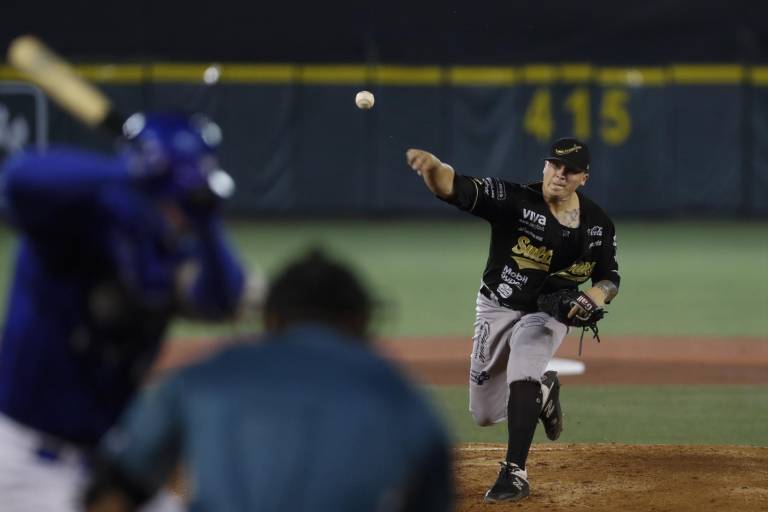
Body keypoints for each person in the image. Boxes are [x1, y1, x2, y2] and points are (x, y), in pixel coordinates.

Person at [0, 112, 246, 511]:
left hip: (105, 462)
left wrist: (208, 225)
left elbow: (222, 298)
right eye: (177, 199)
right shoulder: (78, 221)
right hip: (23, 465)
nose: (181, 213)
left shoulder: (174, 247)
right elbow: (18, 178)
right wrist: (126, 172)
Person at [83, 249, 454, 512]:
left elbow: (117, 491)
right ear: (358, 321)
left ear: (272, 319)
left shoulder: (207, 374)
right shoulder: (397, 391)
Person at [406, 138, 620, 503]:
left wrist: (592, 297)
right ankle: (545, 392)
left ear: (583, 178)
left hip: (546, 314)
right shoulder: (515, 201)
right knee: (485, 414)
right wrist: (433, 168)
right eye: (554, 165)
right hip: (497, 306)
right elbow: (456, 186)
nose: (559, 174)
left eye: (569, 170)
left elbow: (609, 278)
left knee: (525, 368)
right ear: (544, 166)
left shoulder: (597, 224)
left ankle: (514, 473)